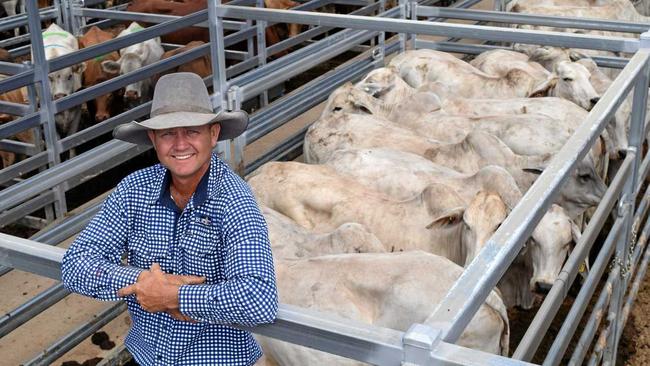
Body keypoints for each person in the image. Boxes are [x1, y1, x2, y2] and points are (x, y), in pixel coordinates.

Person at [61, 72, 278, 366]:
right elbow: (76, 264)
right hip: (146, 356)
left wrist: (175, 296)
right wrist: (142, 281)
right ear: (153, 139)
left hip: (216, 361)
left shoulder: (234, 201)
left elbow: (258, 298)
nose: (180, 144)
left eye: (191, 131)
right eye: (167, 133)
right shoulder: (134, 190)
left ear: (213, 135)